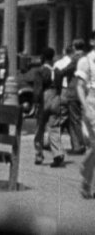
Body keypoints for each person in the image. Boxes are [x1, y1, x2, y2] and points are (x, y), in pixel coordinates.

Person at [33, 47, 65, 167]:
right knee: (54, 127)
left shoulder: (40, 71)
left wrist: (36, 103)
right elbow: (60, 87)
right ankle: (57, 153)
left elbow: (38, 89)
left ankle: (39, 155)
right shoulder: (58, 71)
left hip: (44, 98)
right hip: (56, 97)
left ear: (43, 57)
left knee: (39, 128)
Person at [75, 31, 95, 198]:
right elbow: (80, 86)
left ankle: (86, 183)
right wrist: (86, 109)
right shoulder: (86, 61)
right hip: (92, 106)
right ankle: (86, 179)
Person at [62, 39, 87, 155]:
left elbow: (65, 70)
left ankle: (79, 145)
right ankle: (78, 144)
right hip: (85, 90)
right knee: (79, 118)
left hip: (74, 91)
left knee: (75, 119)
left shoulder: (76, 59)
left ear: (74, 47)